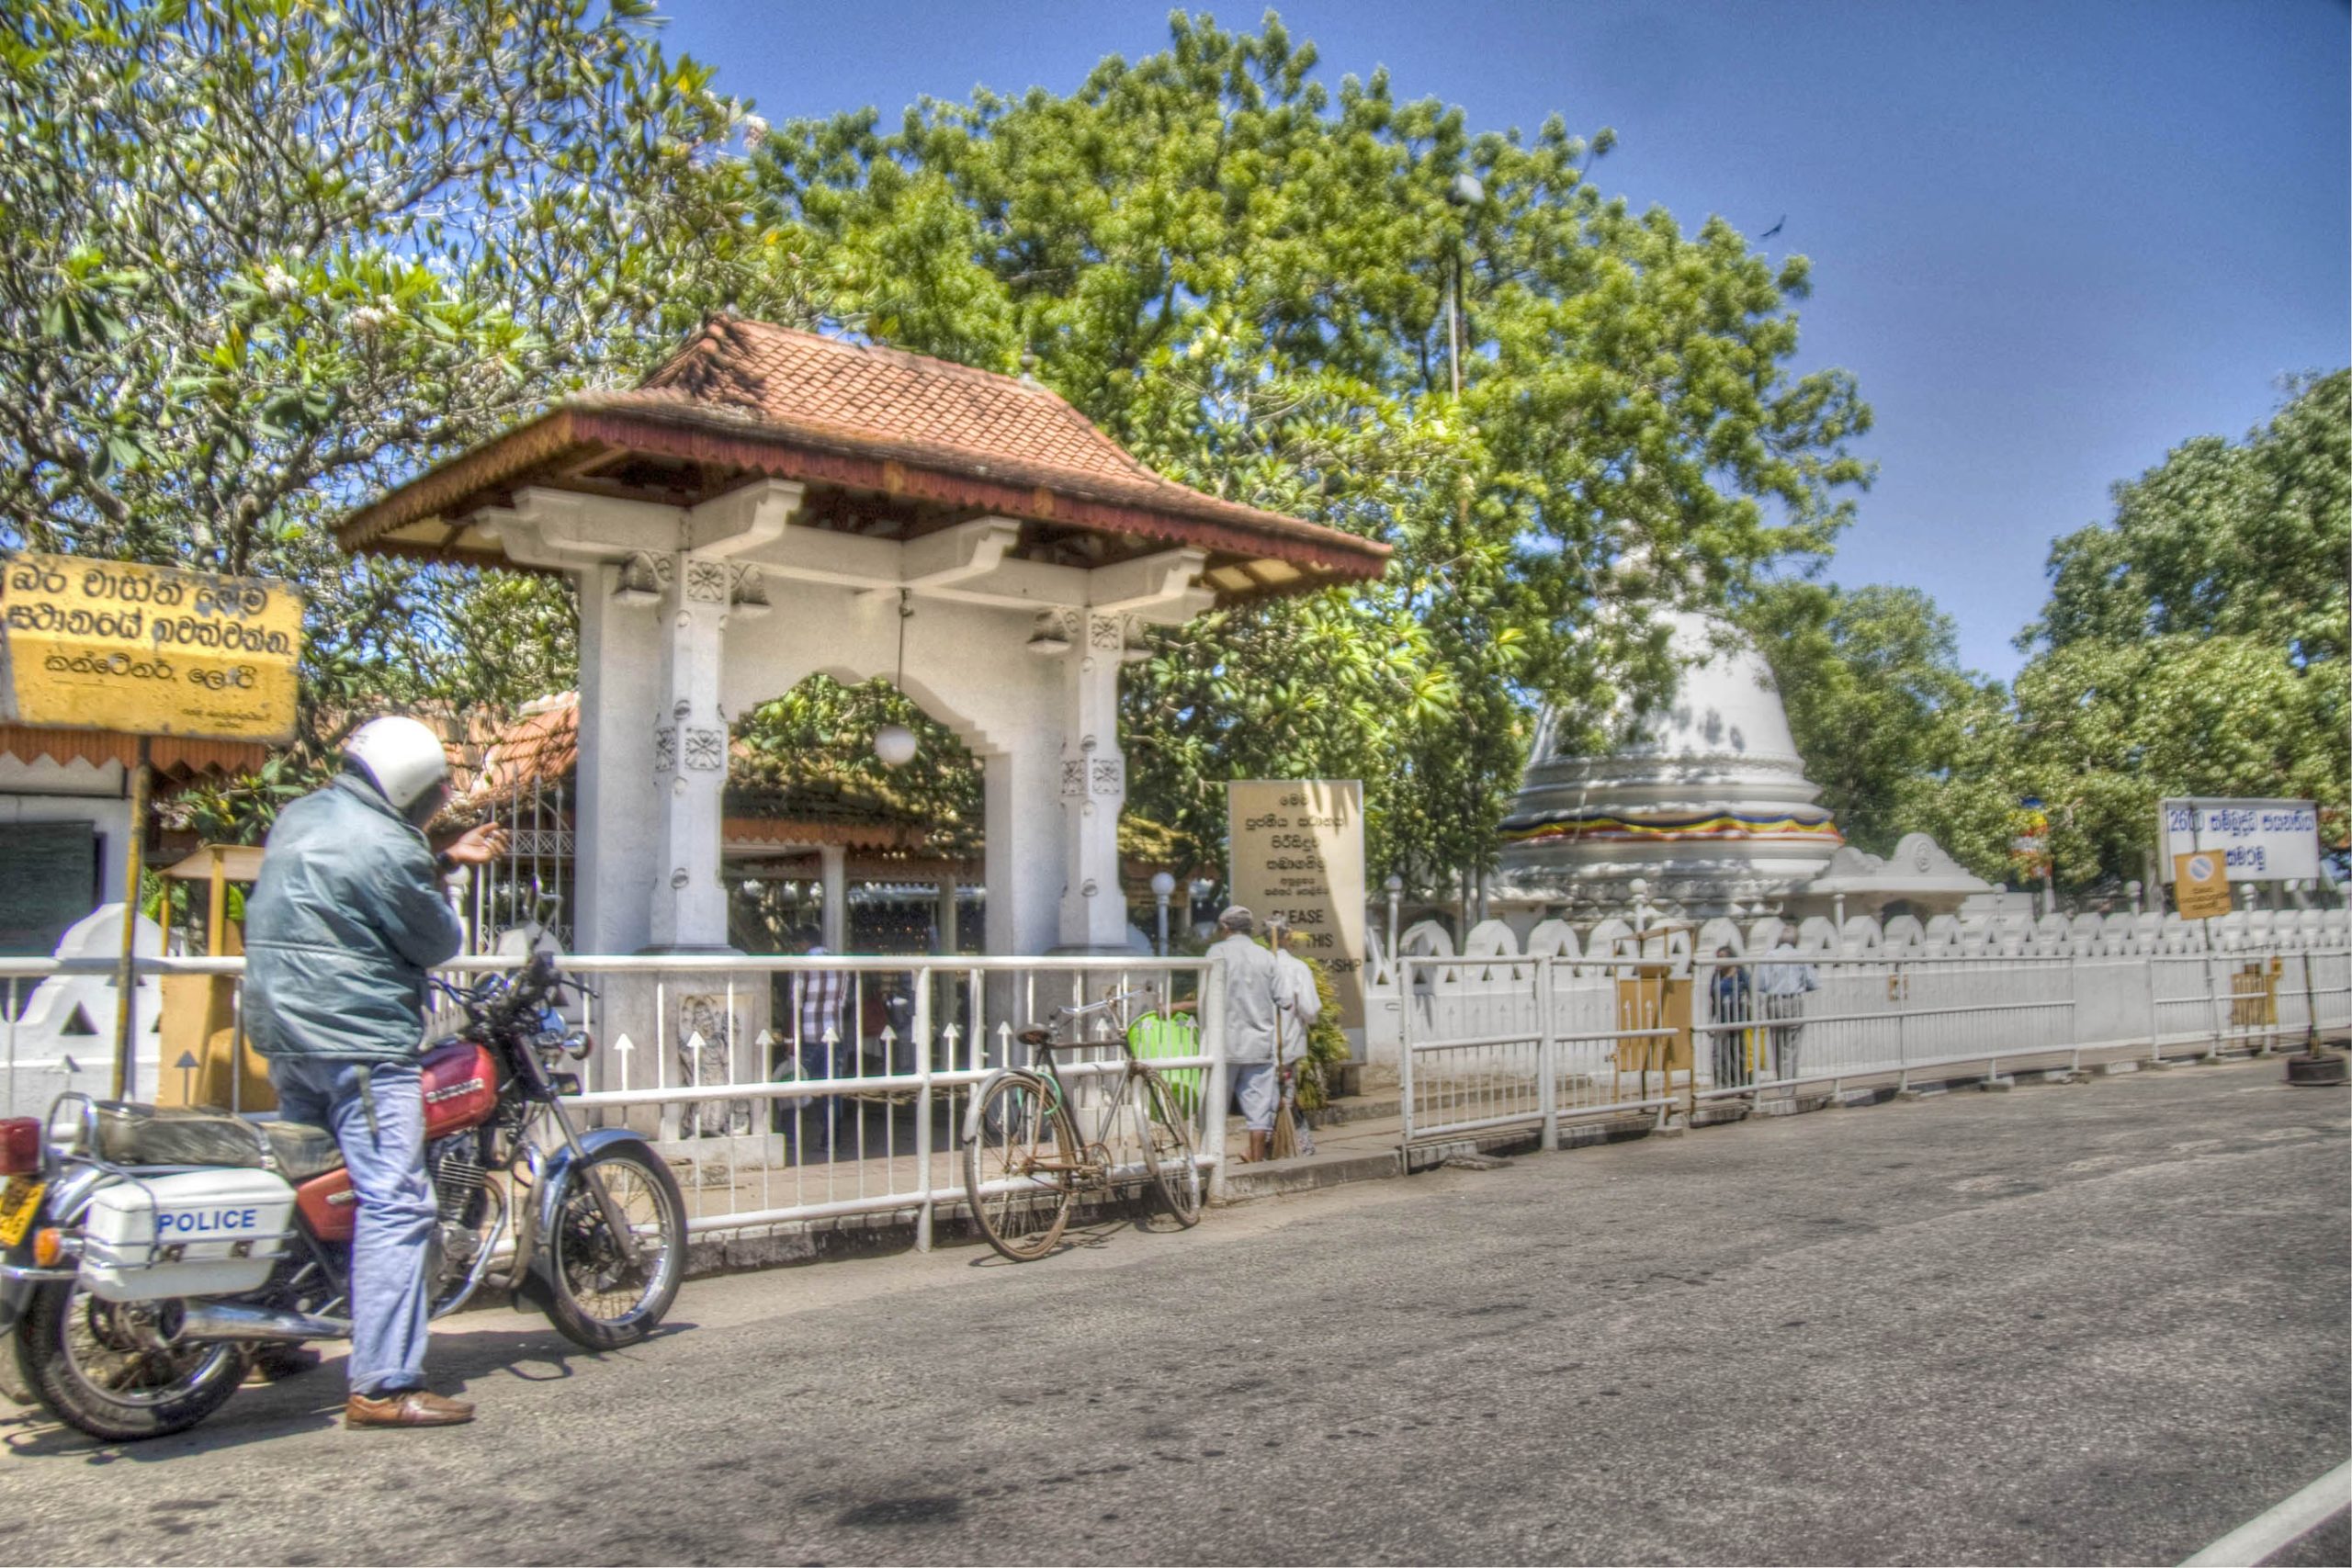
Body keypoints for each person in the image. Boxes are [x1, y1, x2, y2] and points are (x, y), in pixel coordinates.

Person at [244, 715, 506, 1429]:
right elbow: (435, 938)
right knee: (397, 1201)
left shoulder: (302, 815)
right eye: (431, 794)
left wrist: (440, 858)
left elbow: (352, 885)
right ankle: (385, 1383)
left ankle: (271, 1331)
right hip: (356, 1040)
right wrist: (438, 871)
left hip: (284, 1032)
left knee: (306, 1189)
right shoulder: (392, 844)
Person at [1207, 907, 1284, 1163]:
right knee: (1259, 1111)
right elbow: (1284, 999)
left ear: (1225, 928)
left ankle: (1213, 1160)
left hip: (1224, 1044)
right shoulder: (1266, 957)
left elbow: (1207, 996)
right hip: (1259, 1043)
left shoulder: (1216, 953)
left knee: (1215, 1105)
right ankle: (1257, 1158)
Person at [791, 933, 850, 1159]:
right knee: (832, 1089)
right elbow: (842, 1002)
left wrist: (790, 1037)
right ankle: (831, 1140)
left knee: (795, 1085)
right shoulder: (840, 966)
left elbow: (795, 1002)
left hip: (808, 1033)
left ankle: (791, 1136)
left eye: (797, 944)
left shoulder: (802, 965)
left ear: (805, 942)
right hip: (833, 1033)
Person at [1266, 919, 1322, 1155]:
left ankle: (1270, 1145)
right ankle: (1282, 1146)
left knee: (1264, 1098)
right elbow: (1310, 1009)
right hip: (1287, 1045)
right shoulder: (1297, 968)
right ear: (1287, 938)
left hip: (1259, 1046)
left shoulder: (1260, 965)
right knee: (1285, 1098)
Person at [1754, 934, 1820, 1080]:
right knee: (1792, 1045)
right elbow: (1813, 982)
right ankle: (1790, 1083)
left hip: (1774, 1002)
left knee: (1777, 1043)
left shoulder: (1770, 956)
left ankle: (1782, 1081)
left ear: (1779, 941)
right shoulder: (1800, 956)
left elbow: (1761, 984)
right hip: (1794, 1001)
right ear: (1796, 941)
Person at [1707, 946, 1753, 1089]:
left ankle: (1741, 1084)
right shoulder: (1716, 976)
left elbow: (1751, 994)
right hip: (1721, 1019)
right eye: (1717, 957)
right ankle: (1721, 1085)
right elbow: (1712, 998)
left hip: (1738, 1018)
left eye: (1721, 957)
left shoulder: (1741, 975)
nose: (1718, 961)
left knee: (1738, 1053)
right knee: (1719, 1054)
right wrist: (1710, 1021)